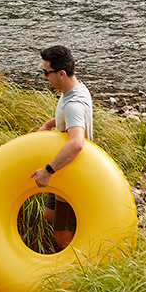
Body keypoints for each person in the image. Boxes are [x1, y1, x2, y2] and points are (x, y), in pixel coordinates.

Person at [30, 45, 92, 250]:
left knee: (61, 238)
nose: (44, 77)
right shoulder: (75, 90)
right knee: (50, 215)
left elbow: (76, 143)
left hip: (70, 171)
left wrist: (48, 171)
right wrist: (49, 125)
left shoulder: (74, 103)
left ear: (61, 73)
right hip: (63, 171)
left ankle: (74, 267)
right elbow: (69, 116)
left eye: (46, 73)